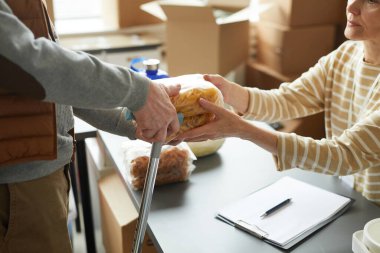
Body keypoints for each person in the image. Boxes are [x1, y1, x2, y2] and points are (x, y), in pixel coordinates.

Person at [0, 0, 180, 252]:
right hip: (16, 188)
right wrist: (139, 92)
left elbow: (56, 86)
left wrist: (131, 119)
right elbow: (29, 64)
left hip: (34, 178)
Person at [176, 0, 380, 206]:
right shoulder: (345, 56)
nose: (352, 7)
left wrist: (243, 130)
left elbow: (344, 155)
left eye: (372, 0)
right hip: (348, 197)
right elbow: (288, 100)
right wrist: (227, 91)